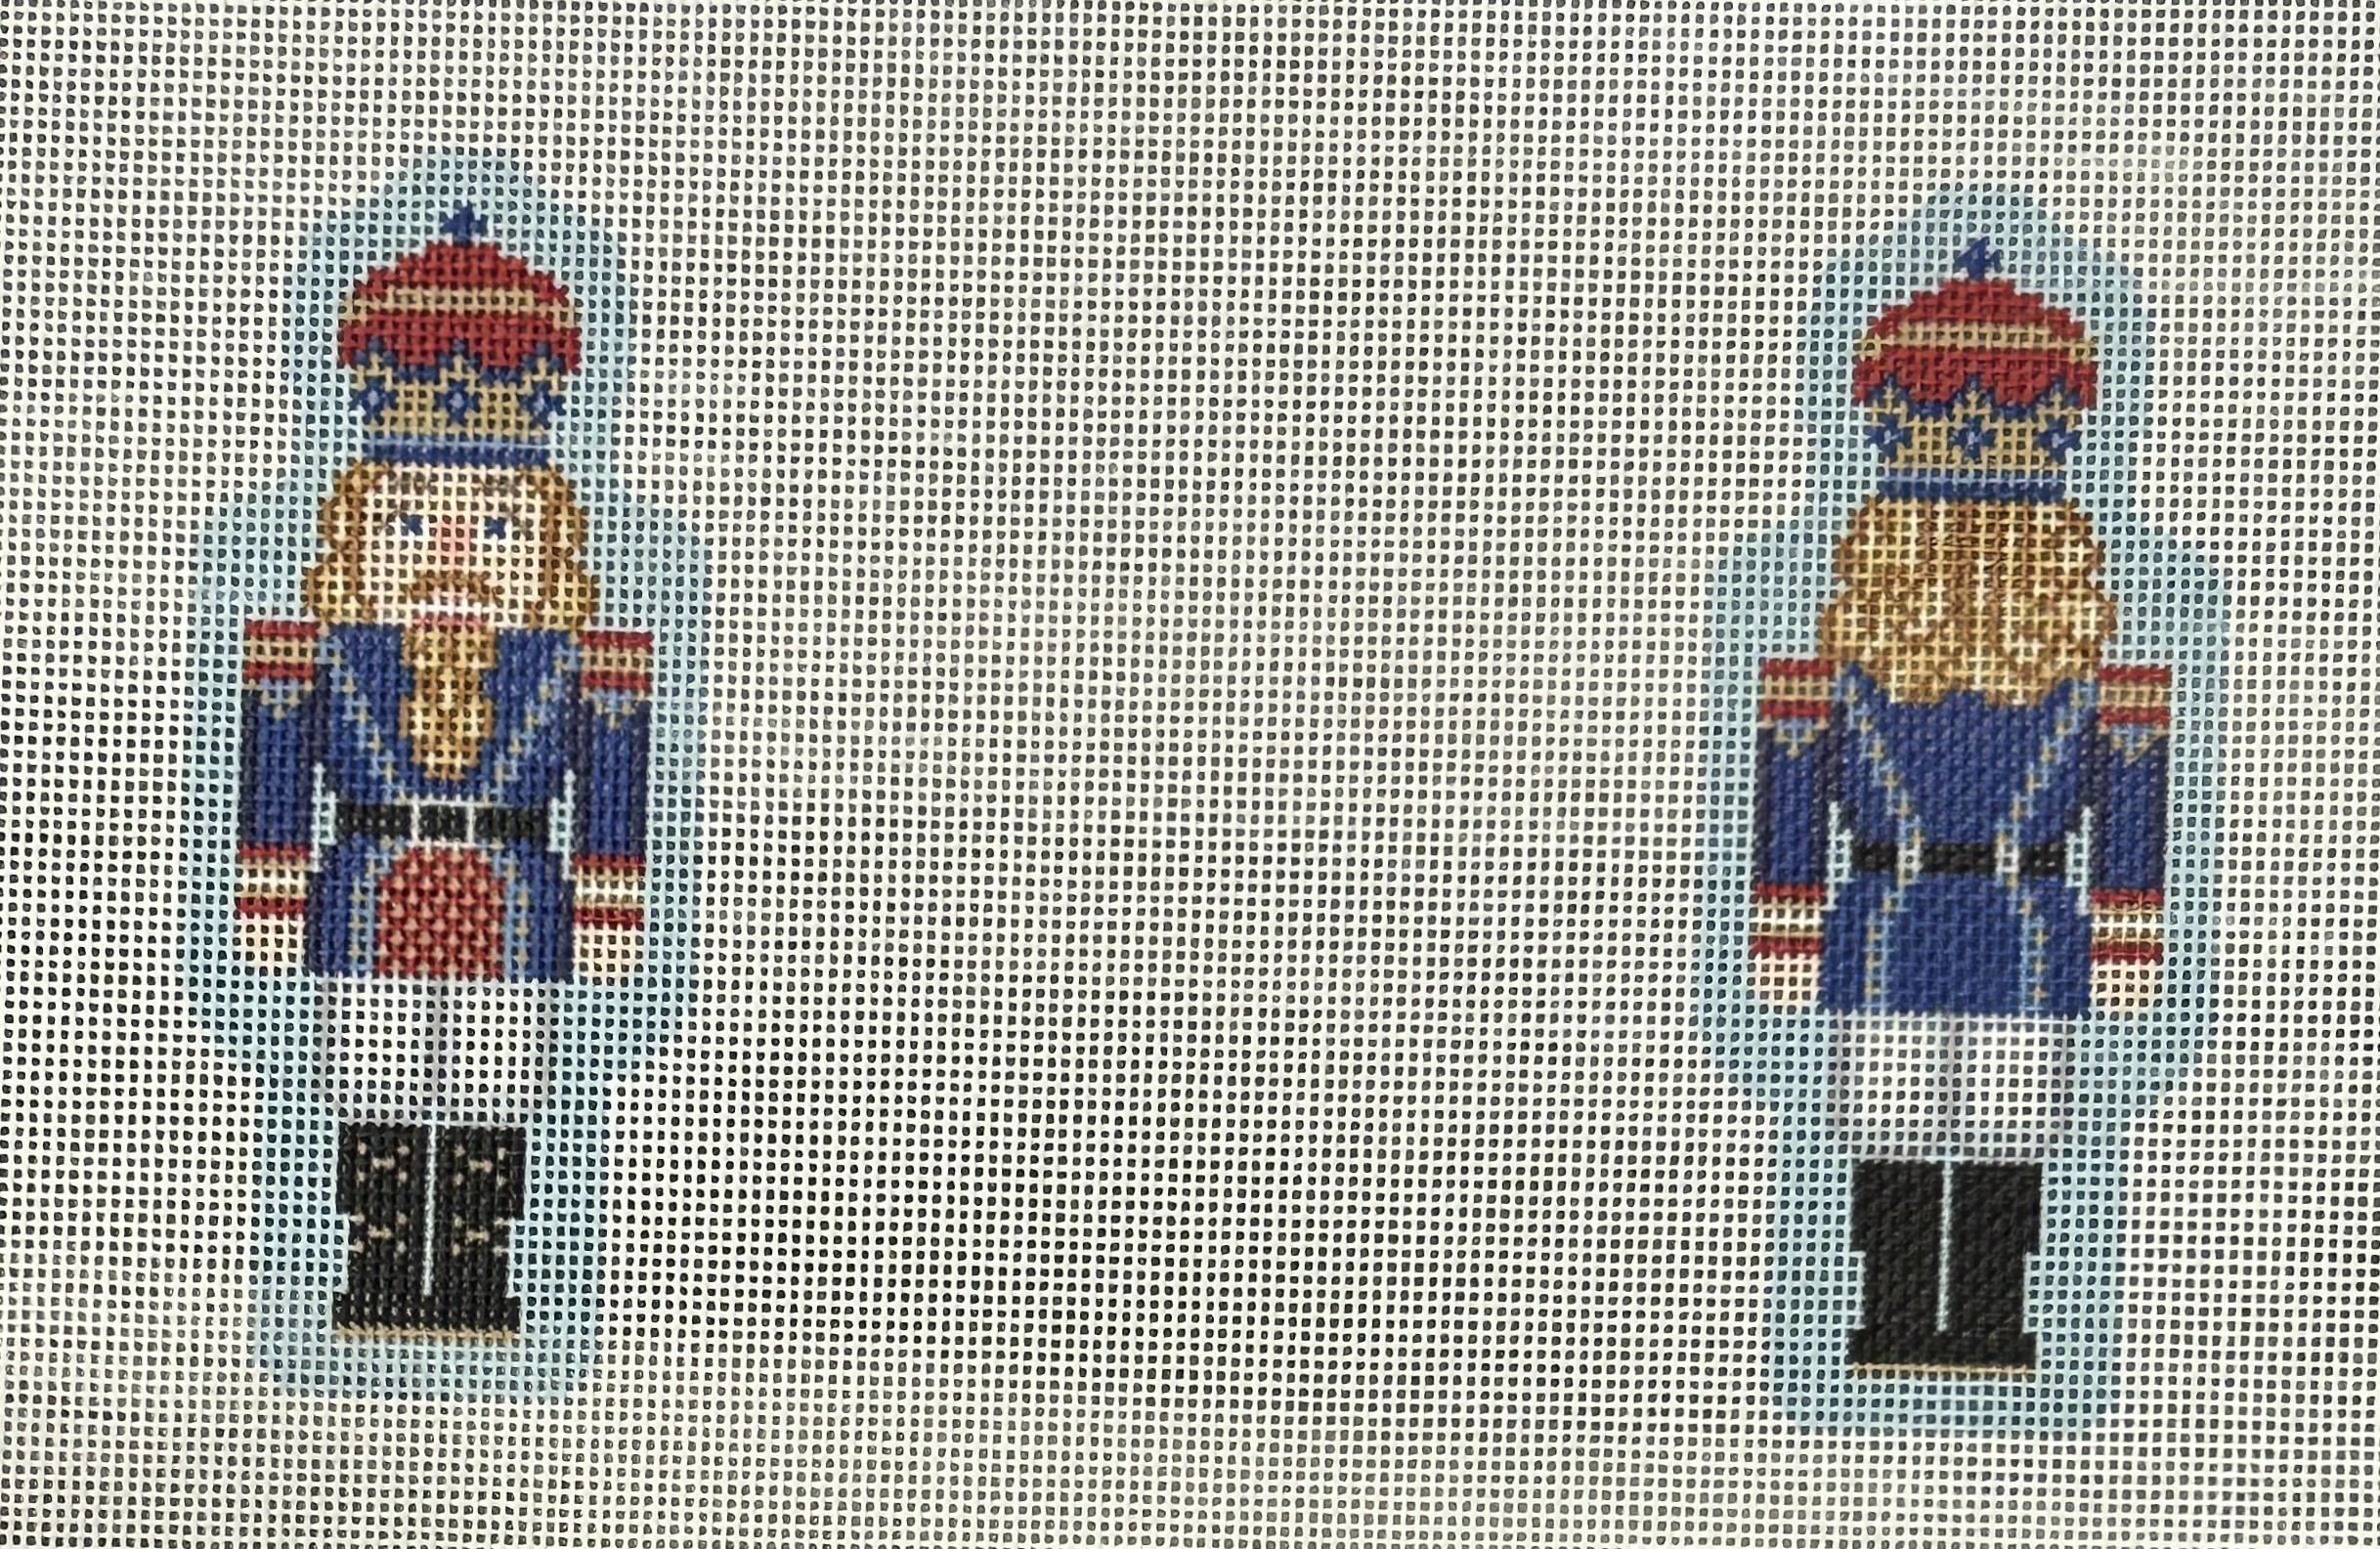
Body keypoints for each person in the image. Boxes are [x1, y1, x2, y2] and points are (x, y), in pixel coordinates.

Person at [1752, 240, 2168, 1372]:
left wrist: (2127, 932)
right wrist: (1783, 919)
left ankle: (1979, 1318)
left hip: (1987, 925)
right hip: (1917, 919)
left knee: (1999, 1127)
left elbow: (2129, 817)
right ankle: (1900, 1315)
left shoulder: (2100, 687)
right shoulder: (1831, 680)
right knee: (1896, 1124)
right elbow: (1790, 800)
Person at [237, 206, 651, 1337]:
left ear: (551, 545)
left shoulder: (578, 666)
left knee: (492, 1086)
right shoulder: (325, 656)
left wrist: (609, 904)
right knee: (369, 1078)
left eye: (498, 530)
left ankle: (472, 1274)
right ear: (354, 538)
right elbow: (277, 765)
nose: (455, 557)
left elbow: (611, 789)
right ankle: (377, 1268)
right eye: (413, 524)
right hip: (369, 890)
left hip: (512, 896)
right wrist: (270, 887)